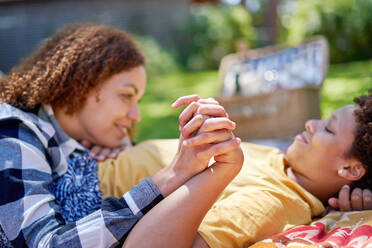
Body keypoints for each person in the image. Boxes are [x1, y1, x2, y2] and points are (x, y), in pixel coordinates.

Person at [0, 23, 244, 247]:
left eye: (138, 100)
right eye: (126, 95)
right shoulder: (12, 132)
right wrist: (172, 174)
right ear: (83, 83)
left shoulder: (80, 142)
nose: (136, 115)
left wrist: (125, 149)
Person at [99, 91, 372, 247]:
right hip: (98, 157)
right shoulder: (282, 160)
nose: (311, 123)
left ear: (350, 169)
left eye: (328, 128)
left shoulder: (272, 202)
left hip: (87, 196)